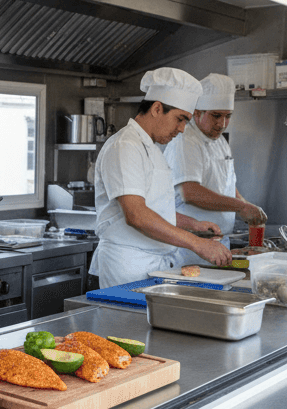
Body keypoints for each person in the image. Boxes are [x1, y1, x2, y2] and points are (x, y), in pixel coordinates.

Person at [89, 68, 233, 288]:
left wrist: (193, 224)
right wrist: (196, 243)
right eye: (180, 119)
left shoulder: (151, 148)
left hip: (154, 263)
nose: (183, 129)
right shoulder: (125, 146)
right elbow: (136, 214)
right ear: (157, 108)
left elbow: (154, 208)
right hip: (128, 266)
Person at [165, 73, 266, 264]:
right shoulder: (186, 140)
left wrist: (246, 207)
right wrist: (241, 207)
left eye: (228, 116)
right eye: (216, 116)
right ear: (197, 112)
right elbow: (191, 193)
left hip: (219, 245)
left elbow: (227, 185)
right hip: (191, 248)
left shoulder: (220, 141)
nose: (222, 123)